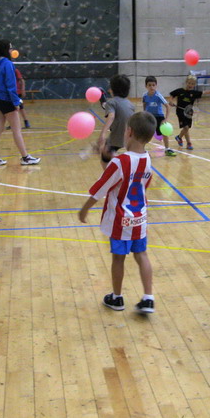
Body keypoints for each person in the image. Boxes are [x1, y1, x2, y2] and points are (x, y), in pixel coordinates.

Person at [79, 112, 157, 314]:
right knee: (141, 254)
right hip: (140, 217)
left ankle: (117, 297)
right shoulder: (147, 159)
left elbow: (101, 188)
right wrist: (106, 157)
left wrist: (84, 209)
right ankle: (148, 298)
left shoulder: (119, 162)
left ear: (128, 132)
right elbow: (131, 176)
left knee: (118, 258)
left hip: (121, 221)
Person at [0, 40, 40, 166]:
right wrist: (16, 102)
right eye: (10, 48)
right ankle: (25, 157)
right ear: (6, 49)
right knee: (16, 130)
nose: (12, 51)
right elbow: (10, 85)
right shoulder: (7, 64)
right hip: (6, 99)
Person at [169, 75, 210, 151]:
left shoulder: (194, 93)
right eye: (189, 83)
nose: (190, 85)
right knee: (185, 127)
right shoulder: (180, 91)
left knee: (187, 128)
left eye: (192, 84)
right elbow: (172, 95)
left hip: (189, 112)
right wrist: (171, 101)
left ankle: (179, 137)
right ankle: (188, 142)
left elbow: (205, 92)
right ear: (186, 82)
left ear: (194, 85)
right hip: (180, 111)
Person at [97, 74, 135, 168]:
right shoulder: (131, 104)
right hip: (129, 137)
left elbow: (111, 116)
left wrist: (102, 134)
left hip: (115, 138)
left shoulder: (111, 102)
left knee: (105, 158)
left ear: (112, 89)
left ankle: (110, 175)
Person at [142, 75, 175, 156]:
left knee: (164, 133)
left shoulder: (158, 96)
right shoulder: (145, 96)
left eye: (153, 85)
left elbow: (168, 106)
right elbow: (144, 105)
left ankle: (167, 149)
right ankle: (142, 150)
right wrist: (144, 114)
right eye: (149, 85)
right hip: (149, 116)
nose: (151, 87)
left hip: (159, 116)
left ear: (156, 86)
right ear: (146, 86)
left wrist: (166, 119)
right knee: (146, 133)